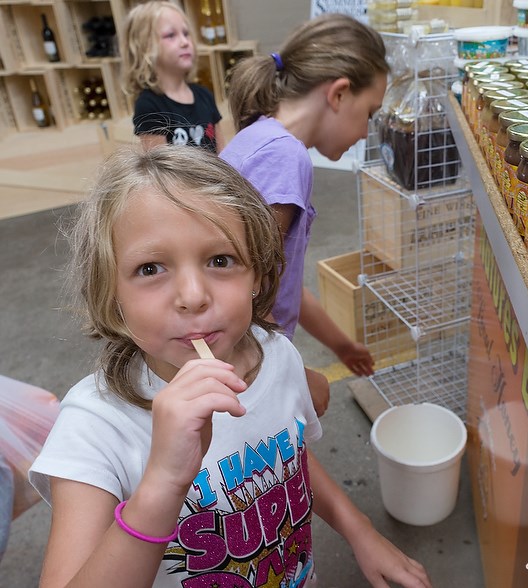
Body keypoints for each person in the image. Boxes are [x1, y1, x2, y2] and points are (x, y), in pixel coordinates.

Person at [28, 147, 430, 588]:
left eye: (220, 260)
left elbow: (289, 458)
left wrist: (360, 531)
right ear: (110, 294)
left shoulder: (277, 355)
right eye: (150, 267)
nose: (193, 295)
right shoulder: (94, 426)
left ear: (257, 275)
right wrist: (162, 483)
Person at [221, 14, 386, 415]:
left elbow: (278, 279)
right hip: (240, 365)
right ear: (339, 94)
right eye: (370, 112)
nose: (367, 132)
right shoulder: (284, 157)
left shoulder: (261, 136)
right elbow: (241, 292)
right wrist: (289, 375)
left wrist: (341, 345)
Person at [121, 1, 223, 152]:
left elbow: (223, 153)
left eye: (186, 33)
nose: (184, 42)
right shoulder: (149, 105)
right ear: (145, 47)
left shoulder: (204, 95)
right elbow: (160, 171)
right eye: (171, 35)